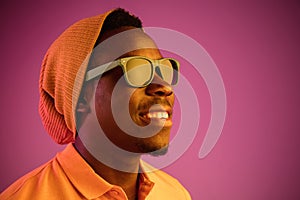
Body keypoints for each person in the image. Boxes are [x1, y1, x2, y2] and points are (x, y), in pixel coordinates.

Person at [0, 8, 191, 200]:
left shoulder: (175, 194)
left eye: (164, 69)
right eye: (138, 69)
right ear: (81, 95)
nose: (164, 87)